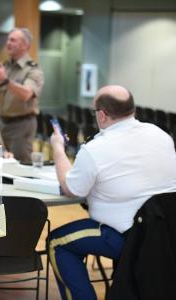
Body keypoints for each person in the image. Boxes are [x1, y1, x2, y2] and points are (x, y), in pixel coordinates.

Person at [48, 85, 176, 300]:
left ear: (102, 114)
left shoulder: (96, 149)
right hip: (167, 234)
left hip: (128, 237)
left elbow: (71, 189)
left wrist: (58, 148)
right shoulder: (161, 135)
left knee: (57, 242)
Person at [0, 28, 44, 163]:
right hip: (3, 123)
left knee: (19, 165)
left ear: (25, 45)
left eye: (13, 40)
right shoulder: (4, 67)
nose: (8, 43)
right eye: (8, 40)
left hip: (22, 125)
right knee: (0, 163)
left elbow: (27, 94)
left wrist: (5, 80)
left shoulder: (33, 69)